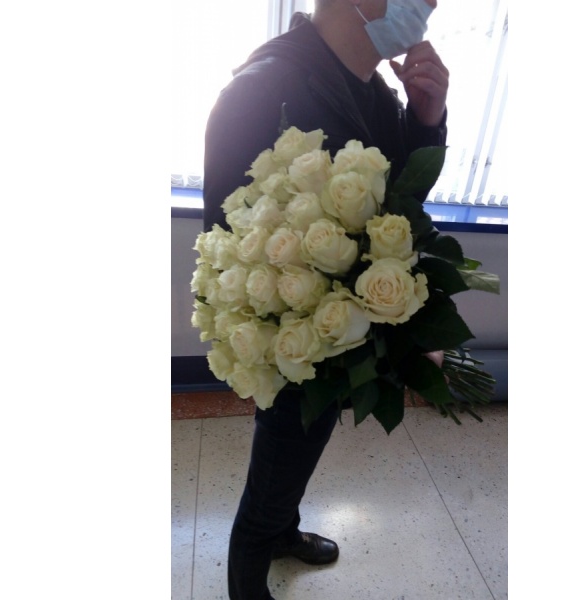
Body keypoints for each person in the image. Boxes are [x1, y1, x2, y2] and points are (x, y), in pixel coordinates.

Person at [201, 1, 448, 598]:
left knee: (302, 447)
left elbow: (400, 202)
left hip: (339, 332)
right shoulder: (260, 90)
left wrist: (426, 119)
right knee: (282, 453)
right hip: (291, 331)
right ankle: (250, 564)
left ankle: (282, 529)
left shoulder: (375, 92)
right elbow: (226, 244)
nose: (432, 3)